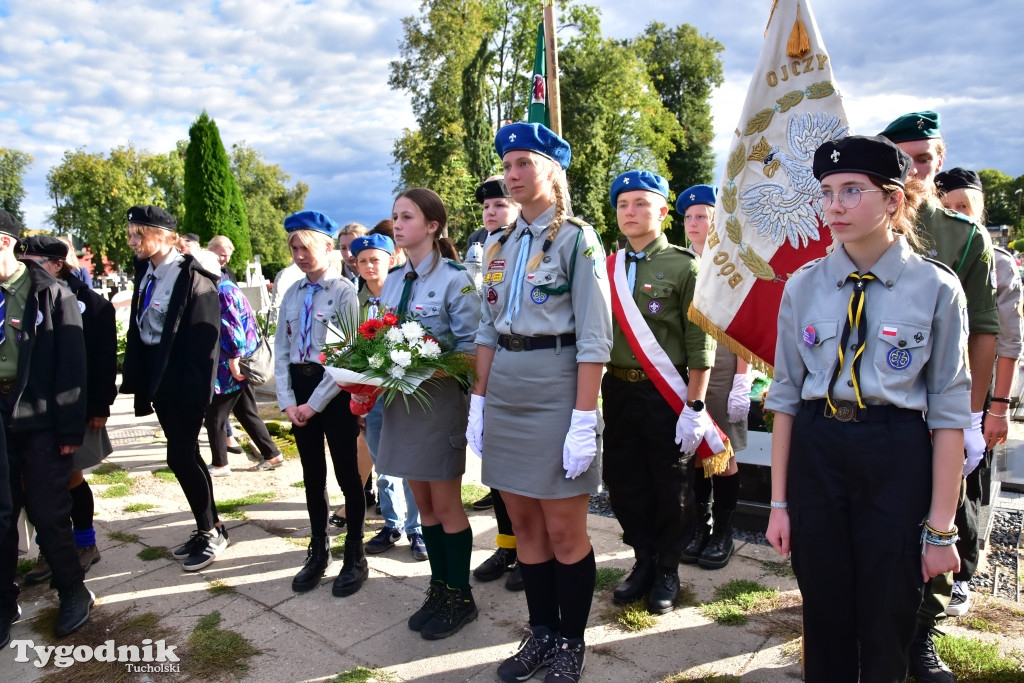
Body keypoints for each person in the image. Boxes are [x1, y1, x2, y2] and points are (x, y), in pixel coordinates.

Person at [764, 135, 969, 680]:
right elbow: (785, 397)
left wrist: (942, 530)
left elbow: (950, 414)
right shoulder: (803, 286)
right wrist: (779, 503)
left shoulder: (935, 288)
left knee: (889, 616)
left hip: (895, 450)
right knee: (824, 610)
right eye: (827, 192)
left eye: (852, 191)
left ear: (894, 200)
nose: (834, 205)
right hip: (818, 448)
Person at [469, 122, 611, 682]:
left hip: (557, 388)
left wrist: (583, 418)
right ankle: (542, 634)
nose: (513, 175)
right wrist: (479, 401)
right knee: (523, 525)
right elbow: (486, 327)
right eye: (507, 166)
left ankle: (570, 644)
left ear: (553, 170)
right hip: (505, 387)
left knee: (563, 530)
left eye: (524, 162)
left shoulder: (578, 239)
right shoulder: (498, 245)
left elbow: (595, 337)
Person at [881, 111, 999, 682]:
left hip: (938, 411)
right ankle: (865, 631)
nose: (915, 169)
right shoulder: (866, 221)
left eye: (924, 158)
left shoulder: (962, 235)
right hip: (877, 408)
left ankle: (921, 635)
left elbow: (984, 330)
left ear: (941, 159)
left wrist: (974, 414)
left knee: (938, 523)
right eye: (903, 159)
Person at [601, 171, 715, 615]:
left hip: (666, 394)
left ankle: (668, 567)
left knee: (672, 486)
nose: (630, 212)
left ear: (664, 211)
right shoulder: (606, 266)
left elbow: (698, 341)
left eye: (641, 204)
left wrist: (696, 406)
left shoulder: (685, 266)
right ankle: (642, 560)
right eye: (623, 204)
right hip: (619, 389)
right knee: (625, 482)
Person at [374, 187, 480, 640]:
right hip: (400, 407)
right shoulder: (395, 279)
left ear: (433, 226)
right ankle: (439, 588)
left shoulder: (456, 278)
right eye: (395, 216)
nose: (397, 224)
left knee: (446, 505)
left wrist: (418, 367)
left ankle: (461, 597)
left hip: (437, 406)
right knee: (425, 507)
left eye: (407, 217)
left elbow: (473, 352)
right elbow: (379, 337)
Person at [0, 209, 92, 643]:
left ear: (5, 242)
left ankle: (72, 590)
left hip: (39, 417)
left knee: (47, 508)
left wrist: (69, 431)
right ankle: (4, 600)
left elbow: (72, 368)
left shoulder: (51, 295)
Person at [936, 168, 1023, 617]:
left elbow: (1007, 340)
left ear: (980, 211)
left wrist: (997, 407)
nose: (954, 216)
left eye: (963, 208)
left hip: (975, 391)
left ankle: (963, 575)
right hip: (934, 387)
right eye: (946, 207)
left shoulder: (999, 262)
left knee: (967, 483)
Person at [120, 206, 226, 572]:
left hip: (185, 381)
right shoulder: (147, 272)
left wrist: (199, 392)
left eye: (139, 234)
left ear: (163, 235)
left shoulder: (191, 276)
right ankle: (209, 526)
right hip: (160, 377)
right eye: (131, 234)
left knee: (180, 456)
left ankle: (212, 531)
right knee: (185, 456)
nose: (132, 242)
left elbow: (204, 341)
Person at [274, 210, 366, 596]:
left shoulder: (344, 292)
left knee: (347, 474)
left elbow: (346, 354)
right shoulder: (293, 293)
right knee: (312, 476)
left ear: (327, 247)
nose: (299, 255)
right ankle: (318, 549)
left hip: (331, 390)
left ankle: (355, 554)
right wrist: (287, 401)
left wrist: (313, 404)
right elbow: (280, 349)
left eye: (306, 247)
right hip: (299, 388)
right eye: (294, 248)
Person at [17, 236, 116, 583]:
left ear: (57, 263)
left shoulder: (92, 305)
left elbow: (101, 361)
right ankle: (49, 547)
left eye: (32, 260)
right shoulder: (23, 297)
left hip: (79, 406)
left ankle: (86, 543)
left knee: (72, 477)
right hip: (32, 409)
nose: (24, 265)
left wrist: (100, 404)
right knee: (33, 485)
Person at [676, 185, 751, 570]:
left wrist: (742, 380)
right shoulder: (681, 262)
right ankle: (699, 528)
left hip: (722, 367)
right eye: (688, 217)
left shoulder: (733, 265)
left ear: (717, 220)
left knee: (723, 452)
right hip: (689, 367)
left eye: (701, 215)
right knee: (694, 451)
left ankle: (724, 531)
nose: (693, 223)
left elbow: (745, 328)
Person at [348, 233, 427, 561]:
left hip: (404, 389)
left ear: (391, 260)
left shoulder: (405, 292)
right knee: (383, 460)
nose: (368, 266)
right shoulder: (357, 299)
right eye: (362, 260)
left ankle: (416, 527)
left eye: (374, 259)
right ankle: (391, 523)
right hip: (373, 393)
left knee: (409, 459)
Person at [467, 176, 525, 592]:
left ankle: (529, 550)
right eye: (487, 207)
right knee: (499, 470)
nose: (491, 212)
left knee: (526, 472)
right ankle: (507, 544)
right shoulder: (488, 248)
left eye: (500, 205)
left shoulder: (536, 244)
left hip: (531, 365)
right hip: (496, 363)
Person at [195, 249, 283, 477]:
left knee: (215, 416)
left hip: (232, 365)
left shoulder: (222, 292)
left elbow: (234, 329)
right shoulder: (227, 286)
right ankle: (272, 454)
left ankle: (220, 464)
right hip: (241, 361)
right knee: (245, 412)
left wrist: (234, 360)